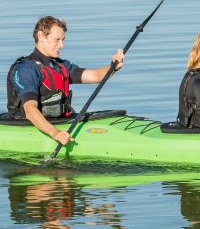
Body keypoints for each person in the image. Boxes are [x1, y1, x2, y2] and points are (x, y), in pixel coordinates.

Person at [7, 16, 124, 145]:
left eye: (63, 40)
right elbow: (30, 110)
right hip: (27, 125)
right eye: (57, 40)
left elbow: (96, 76)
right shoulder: (26, 69)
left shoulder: (61, 66)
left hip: (59, 121)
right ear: (40, 36)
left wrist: (114, 66)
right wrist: (54, 132)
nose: (61, 45)